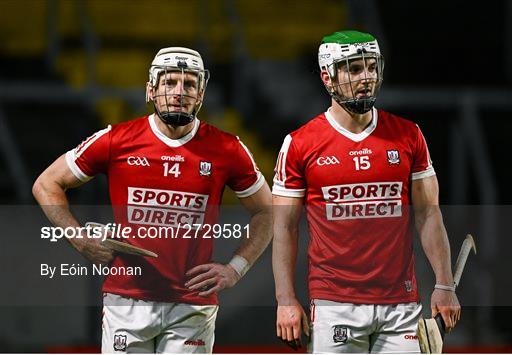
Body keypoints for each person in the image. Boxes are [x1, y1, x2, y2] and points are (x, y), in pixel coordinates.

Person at [33, 47, 272, 353]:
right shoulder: (115, 140)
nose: (179, 92)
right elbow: (46, 183)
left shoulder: (227, 149)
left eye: (189, 84)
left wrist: (236, 268)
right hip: (126, 301)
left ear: (201, 94)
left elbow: (268, 210)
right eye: (169, 82)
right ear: (151, 89)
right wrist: (79, 240)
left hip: (192, 306)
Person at [272, 30, 460, 353]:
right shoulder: (300, 144)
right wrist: (285, 299)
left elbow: (429, 213)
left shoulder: (409, 135)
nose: (367, 77)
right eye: (354, 69)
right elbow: (285, 227)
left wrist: (444, 284)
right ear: (327, 77)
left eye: (371, 67)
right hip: (334, 305)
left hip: (401, 305)